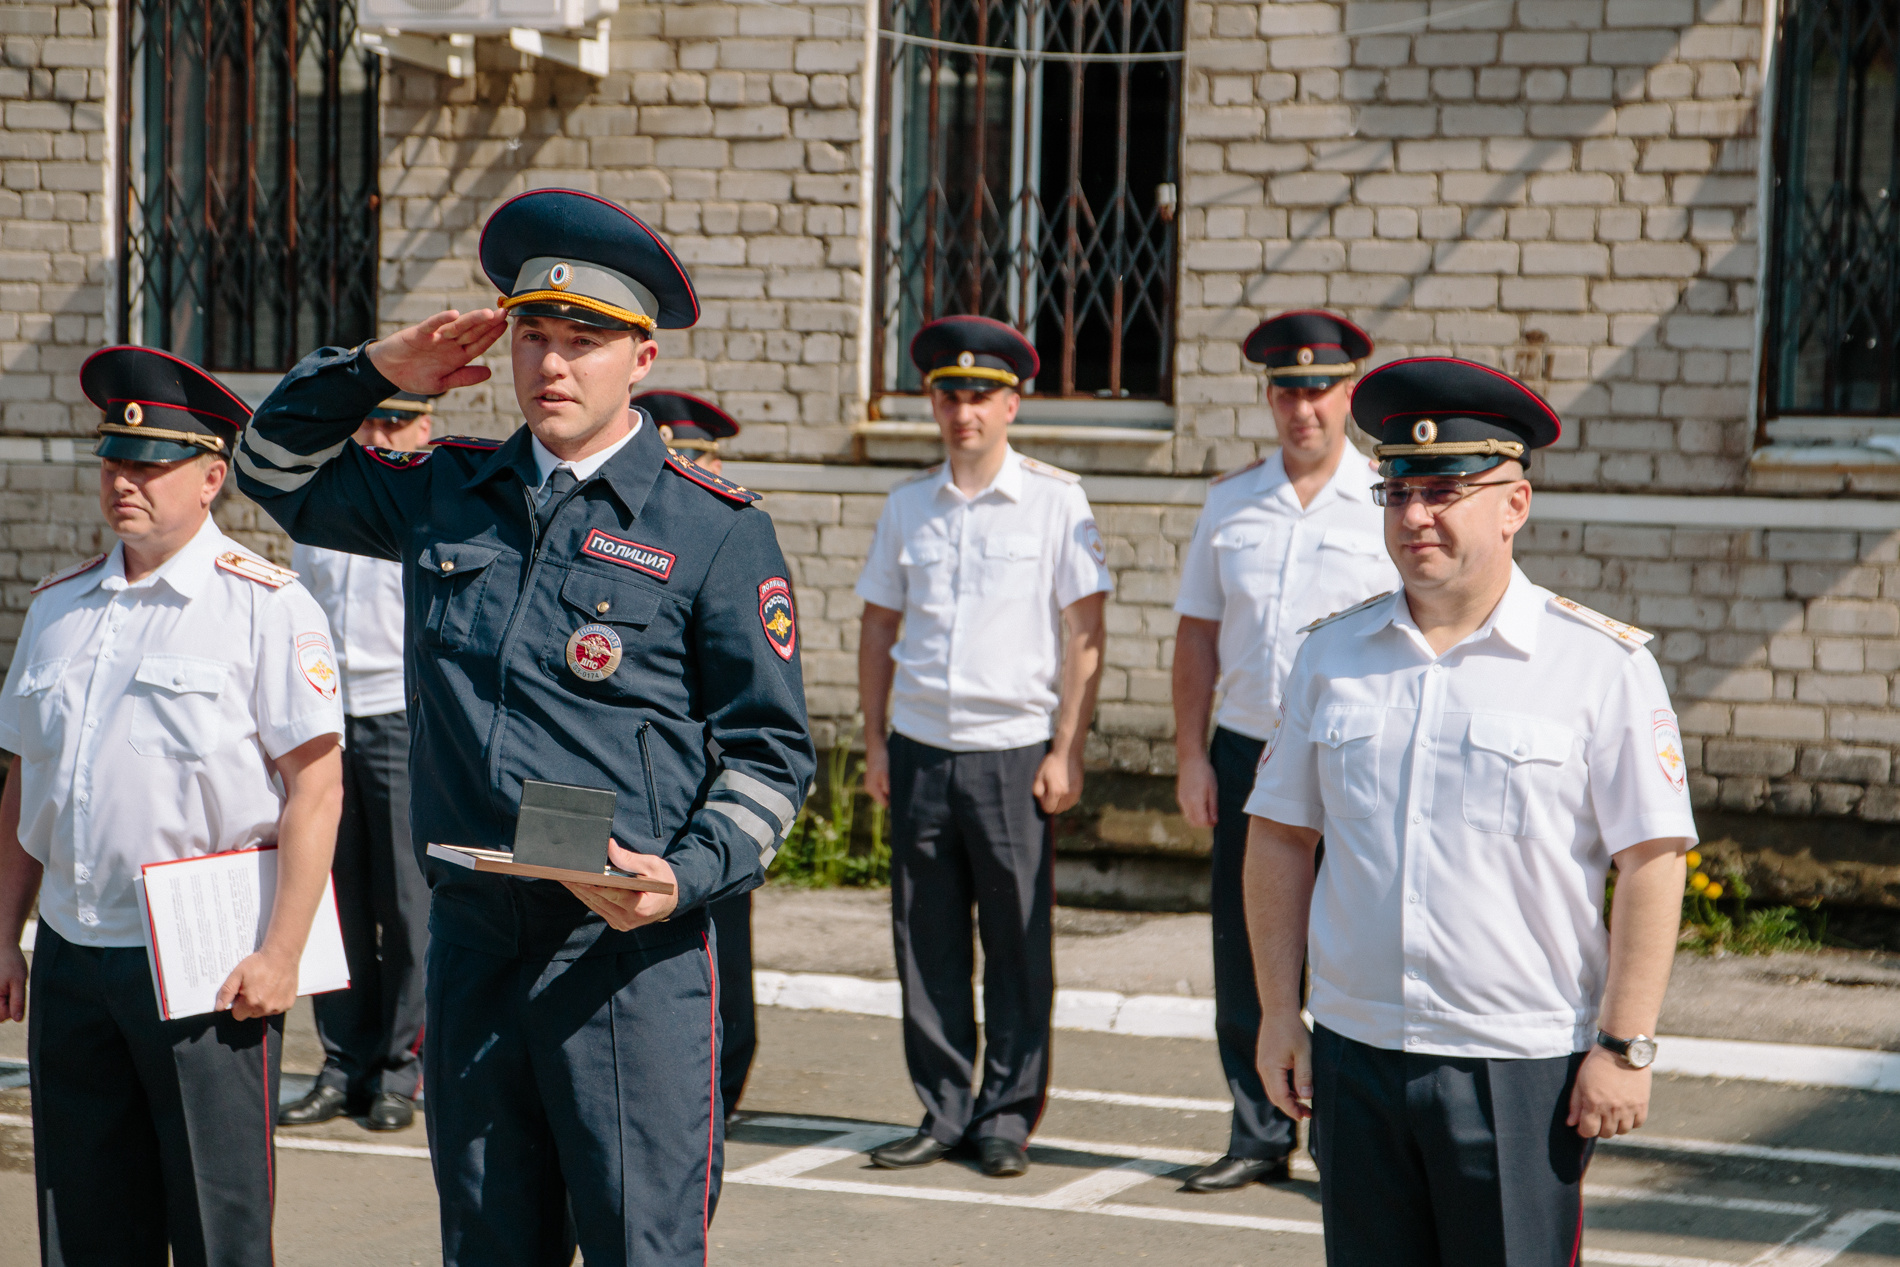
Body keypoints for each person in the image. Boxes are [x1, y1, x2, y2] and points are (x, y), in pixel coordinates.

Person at [233, 188, 815, 1267]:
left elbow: (772, 756)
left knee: (641, 1247)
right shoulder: (450, 491)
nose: (551, 364)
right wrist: (372, 370)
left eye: (584, 341)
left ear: (641, 358)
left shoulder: (713, 530)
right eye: (533, 336)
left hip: (622, 952)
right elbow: (267, 468)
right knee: (490, 1247)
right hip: (476, 937)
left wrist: (683, 877)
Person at [1242, 357, 1697, 1264]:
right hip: (1357, 1049)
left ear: (1514, 504)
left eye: (1446, 491)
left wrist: (1625, 1044)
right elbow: (1280, 835)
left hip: (1517, 1065)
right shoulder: (1332, 656)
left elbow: (1653, 858)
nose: (1416, 516)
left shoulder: (1598, 664)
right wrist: (1278, 1012)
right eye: (1398, 491)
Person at [0, 346, 346, 1266]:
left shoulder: (267, 607)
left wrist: (280, 954)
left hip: (206, 958)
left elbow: (318, 785)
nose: (126, 481)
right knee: (81, 1215)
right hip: (75, 949)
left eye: (151, 465)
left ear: (211, 477)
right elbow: (24, 779)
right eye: (115, 460)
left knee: (215, 1223)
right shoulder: (60, 607)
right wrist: (6, 932)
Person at [855, 316, 1111, 1179]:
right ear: (932, 402)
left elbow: (1084, 634)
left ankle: (1005, 1112)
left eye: (979, 396)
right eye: (948, 394)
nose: (963, 410)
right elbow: (878, 625)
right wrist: (875, 742)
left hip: (1011, 750)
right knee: (923, 941)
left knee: (1015, 941)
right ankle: (942, 1106)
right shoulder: (907, 505)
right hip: (922, 746)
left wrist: (1065, 748)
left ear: (1011, 404)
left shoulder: (1055, 500)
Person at [1169, 311, 1399, 1192]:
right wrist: (1191, 754)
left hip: (1350, 755)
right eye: (1287, 390)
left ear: (1348, 394)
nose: (1303, 407)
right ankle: (1258, 1129)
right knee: (1248, 944)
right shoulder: (1232, 500)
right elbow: (1197, 636)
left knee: (1346, 948)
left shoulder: (1385, 495)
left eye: (1320, 389)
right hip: (1248, 751)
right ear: (1269, 396)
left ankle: (1347, 1137)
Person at [279, 391, 436, 1133]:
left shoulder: (432, 498)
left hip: (402, 719)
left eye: (399, 420)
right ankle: (343, 1063)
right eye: (370, 418)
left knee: (407, 907)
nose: (381, 432)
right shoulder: (332, 498)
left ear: (427, 424)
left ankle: (403, 1068)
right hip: (325, 724)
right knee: (330, 902)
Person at [634, 387, 757, 1121]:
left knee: (724, 939)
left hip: (711, 781)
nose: (686, 464)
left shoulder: (727, 533)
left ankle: (724, 1076)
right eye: (674, 449)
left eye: (700, 455)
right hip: (643, 787)